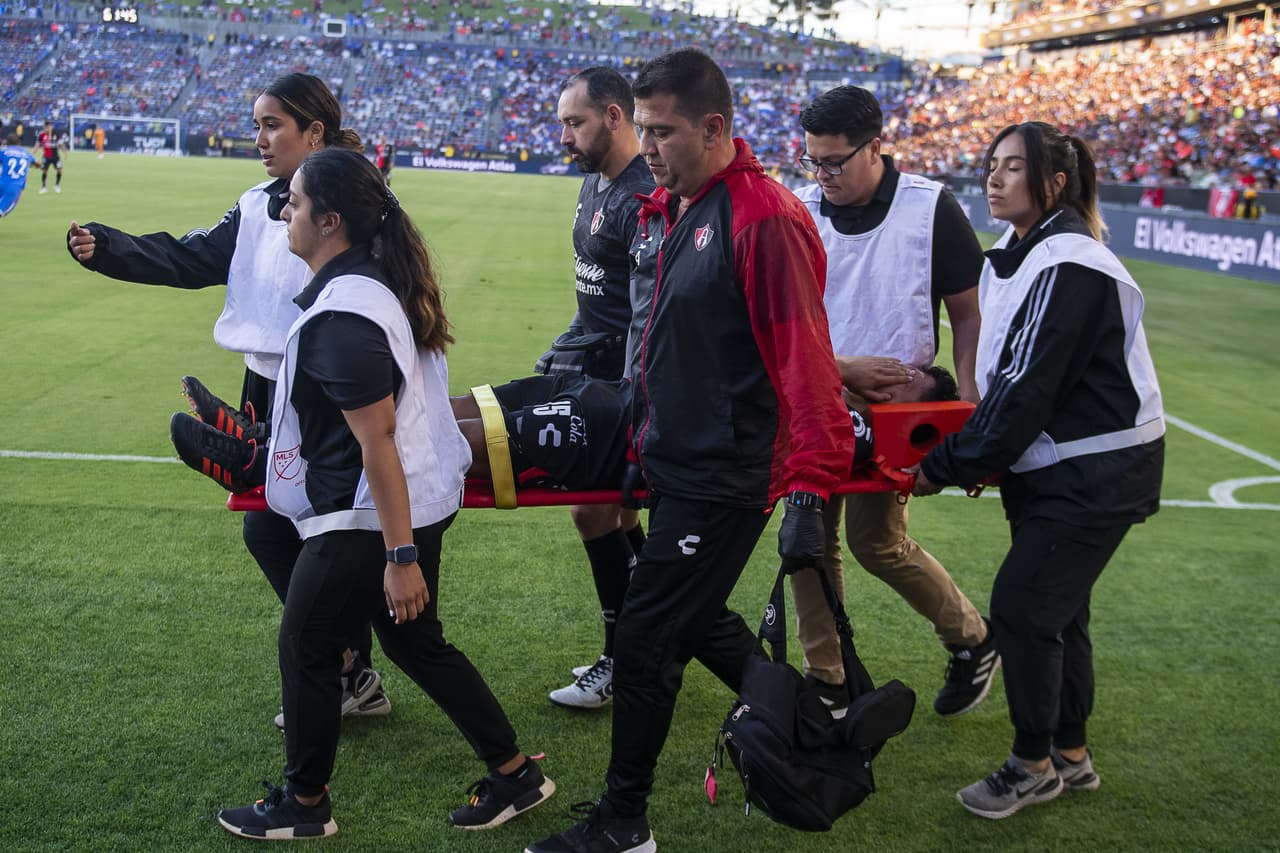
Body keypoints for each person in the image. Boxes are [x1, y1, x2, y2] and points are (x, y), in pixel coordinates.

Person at [525, 48, 855, 853]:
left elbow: (807, 368)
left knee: (645, 640)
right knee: (699, 620)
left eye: (662, 132)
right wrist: (639, 442)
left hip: (723, 472)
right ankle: (821, 727)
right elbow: (656, 347)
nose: (647, 148)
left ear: (713, 128)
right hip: (672, 455)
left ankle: (623, 822)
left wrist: (810, 494)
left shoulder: (763, 217)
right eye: (640, 128)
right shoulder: (671, 207)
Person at [216, 147, 555, 839]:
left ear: (331, 220)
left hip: (370, 517)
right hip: (410, 502)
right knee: (414, 643)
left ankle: (304, 804)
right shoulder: (377, 283)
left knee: (307, 644)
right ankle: (516, 773)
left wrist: (398, 554)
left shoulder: (347, 313)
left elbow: (378, 442)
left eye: (298, 202)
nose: (286, 210)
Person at [66, 73, 392, 723]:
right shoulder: (254, 204)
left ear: (314, 132)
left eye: (273, 125)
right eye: (257, 126)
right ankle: (352, 669)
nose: (261, 139)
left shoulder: (355, 203)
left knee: (306, 530)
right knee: (277, 524)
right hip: (266, 385)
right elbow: (191, 259)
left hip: (326, 390)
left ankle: (347, 668)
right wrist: (110, 248)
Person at [911, 122, 1164, 819]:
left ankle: (1032, 763)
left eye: (1012, 167)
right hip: (1062, 467)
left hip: (1094, 470)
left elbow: (1024, 392)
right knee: (1059, 611)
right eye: (992, 165)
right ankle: (1071, 754)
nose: (994, 177)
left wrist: (946, 461)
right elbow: (1000, 378)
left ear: (1054, 184)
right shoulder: (1021, 255)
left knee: (1022, 609)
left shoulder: (1070, 262)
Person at [790, 85, 998, 720]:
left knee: (876, 543)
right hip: (815, 400)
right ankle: (826, 677)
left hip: (897, 413)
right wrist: (833, 371)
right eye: (812, 161)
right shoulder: (799, 209)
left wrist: (966, 395)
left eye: (834, 162)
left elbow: (968, 313)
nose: (822, 176)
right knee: (806, 541)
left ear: (875, 147)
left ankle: (973, 638)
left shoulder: (929, 207)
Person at [537, 66, 655, 710]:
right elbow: (597, 298)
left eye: (574, 122)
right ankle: (642, 641)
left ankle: (621, 658)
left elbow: (643, 314)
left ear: (615, 116)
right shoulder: (594, 185)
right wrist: (566, 345)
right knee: (619, 515)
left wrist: (635, 401)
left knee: (590, 509)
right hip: (589, 364)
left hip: (620, 382)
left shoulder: (643, 195)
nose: (565, 135)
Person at [1, 134, 35, 218]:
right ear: (19, 142)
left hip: (2, 181)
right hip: (14, 187)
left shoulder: (3, 152)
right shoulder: (26, 153)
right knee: (2, 211)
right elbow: (35, 163)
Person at [36, 121, 63, 194]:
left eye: (50, 126)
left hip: (55, 156)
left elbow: (60, 143)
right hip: (46, 156)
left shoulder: (56, 134)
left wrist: (65, 152)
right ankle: (43, 187)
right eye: (47, 126)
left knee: (59, 170)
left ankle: (56, 185)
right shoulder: (42, 135)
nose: (49, 128)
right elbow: (38, 144)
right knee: (44, 171)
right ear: (45, 127)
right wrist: (33, 153)